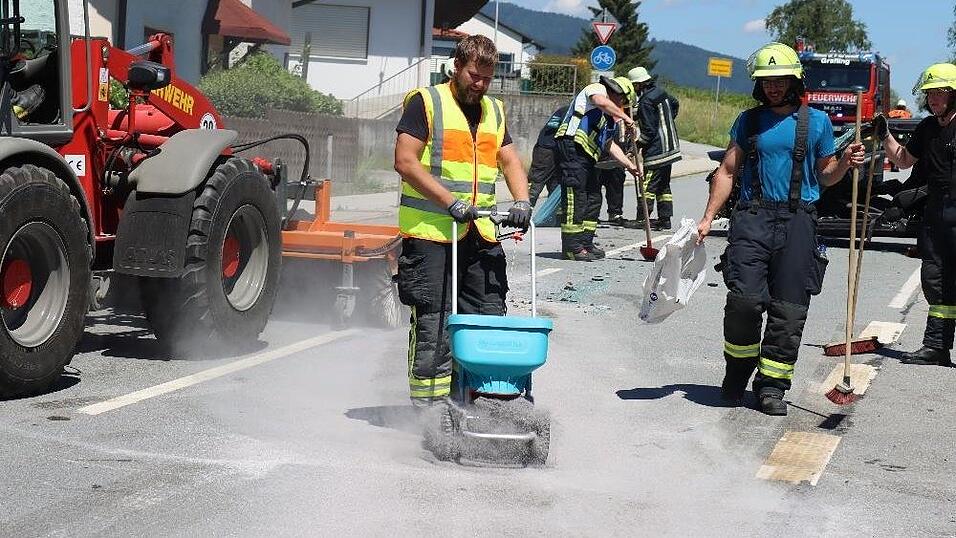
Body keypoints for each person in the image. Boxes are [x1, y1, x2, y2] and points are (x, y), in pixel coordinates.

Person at [696, 42, 865, 415]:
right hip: (752, 218)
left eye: (780, 80)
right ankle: (737, 374)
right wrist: (708, 216)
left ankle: (772, 387)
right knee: (744, 301)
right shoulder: (749, 121)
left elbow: (826, 175)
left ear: (794, 81)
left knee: (789, 311)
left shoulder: (816, 122)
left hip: (799, 220)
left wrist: (846, 164)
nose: (773, 87)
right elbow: (726, 170)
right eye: (766, 81)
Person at [393, 35, 533, 407]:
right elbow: (405, 162)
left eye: (488, 79)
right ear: (457, 65)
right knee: (434, 321)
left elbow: (510, 161)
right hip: (431, 232)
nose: (481, 85)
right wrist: (450, 202)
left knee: (489, 312)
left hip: (480, 230)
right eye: (475, 75)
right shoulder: (427, 102)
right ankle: (429, 407)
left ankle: (483, 395)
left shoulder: (495, 110)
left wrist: (522, 200)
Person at [875, 63, 956, 367]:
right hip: (936, 214)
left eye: (940, 93)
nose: (933, 98)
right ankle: (936, 346)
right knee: (935, 279)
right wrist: (884, 135)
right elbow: (904, 159)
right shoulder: (927, 128)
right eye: (930, 93)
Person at [555, 75, 641, 261]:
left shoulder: (608, 117)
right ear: (617, 94)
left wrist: (630, 165)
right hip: (572, 146)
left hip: (587, 156)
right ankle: (572, 246)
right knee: (576, 196)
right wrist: (625, 118)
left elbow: (609, 145)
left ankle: (586, 242)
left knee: (594, 197)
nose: (622, 106)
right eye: (623, 102)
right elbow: (600, 101)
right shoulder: (597, 89)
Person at [625, 66, 682, 231]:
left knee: (647, 186)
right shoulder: (661, 93)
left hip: (657, 151)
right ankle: (665, 219)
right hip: (671, 148)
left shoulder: (646, 101)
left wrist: (635, 145)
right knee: (663, 186)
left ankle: (643, 219)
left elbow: (648, 131)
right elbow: (674, 104)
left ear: (638, 84)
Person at [528, 104, 568, 207]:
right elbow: (552, 127)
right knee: (536, 183)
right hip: (546, 150)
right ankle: (525, 211)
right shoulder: (567, 111)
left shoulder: (568, 110)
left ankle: (552, 218)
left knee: (555, 185)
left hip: (559, 151)